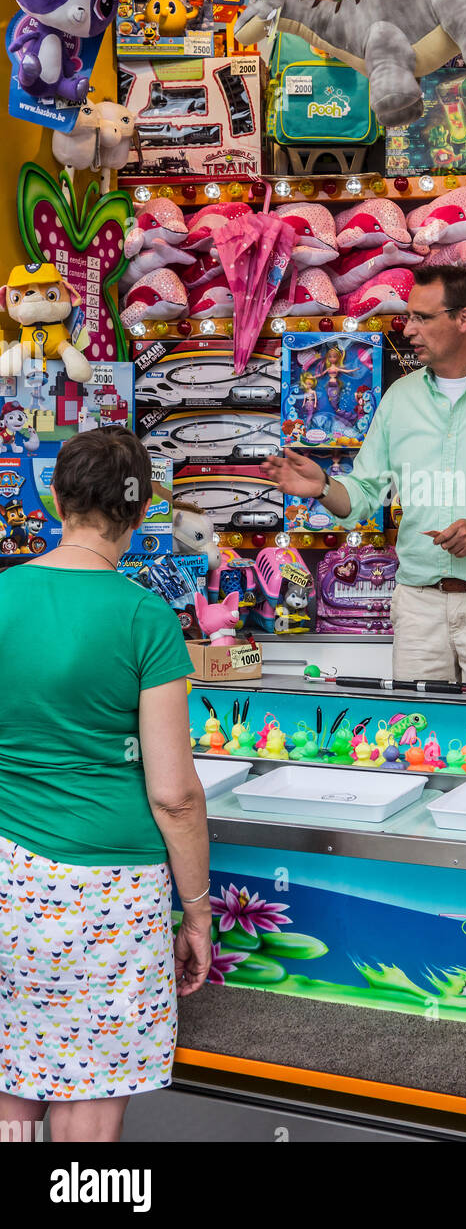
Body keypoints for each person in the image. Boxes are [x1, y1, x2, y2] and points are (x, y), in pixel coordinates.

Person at [0, 429, 210, 1142]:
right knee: (87, 1088)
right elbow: (174, 794)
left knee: (13, 1075)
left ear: (55, 497)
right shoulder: (144, 616)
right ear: (142, 509)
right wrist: (199, 912)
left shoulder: (3, 595)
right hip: (107, 888)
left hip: (7, 872)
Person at [264, 264, 466, 682]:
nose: (409, 330)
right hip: (418, 607)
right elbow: (364, 494)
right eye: (409, 317)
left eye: (422, 318)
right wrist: (323, 487)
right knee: (415, 737)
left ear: (464, 318)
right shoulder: (399, 397)